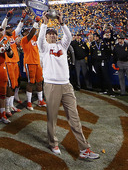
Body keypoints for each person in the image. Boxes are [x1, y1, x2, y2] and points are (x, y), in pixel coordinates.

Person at [37, 11, 100, 160]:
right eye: (49, 33)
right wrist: (44, 24)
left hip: (66, 85)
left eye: (54, 33)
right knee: (52, 117)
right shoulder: (44, 48)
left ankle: (84, 149)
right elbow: (40, 39)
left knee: (74, 117)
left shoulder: (62, 46)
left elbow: (69, 37)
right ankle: (53, 143)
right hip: (51, 85)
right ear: (46, 36)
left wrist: (62, 23)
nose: (52, 35)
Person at [1, 9, 27, 116]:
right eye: (9, 28)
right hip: (8, 63)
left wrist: (22, 18)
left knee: (15, 84)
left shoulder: (13, 36)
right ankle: (7, 108)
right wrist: (7, 17)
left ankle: (11, 105)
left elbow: (19, 27)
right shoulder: (3, 36)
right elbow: (2, 27)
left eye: (11, 28)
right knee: (10, 85)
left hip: (15, 63)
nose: (11, 30)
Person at [20, 16, 46, 111]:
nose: (28, 32)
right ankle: (29, 102)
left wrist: (44, 23)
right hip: (29, 62)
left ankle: (40, 100)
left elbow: (39, 34)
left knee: (39, 82)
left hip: (37, 62)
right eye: (26, 31)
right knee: (31, 82)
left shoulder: (34, 38)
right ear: (23, 33)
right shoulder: (24, 40)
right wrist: (36, 22)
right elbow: (32, 34)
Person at [112, 33, 128, 97]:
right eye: (118, 39)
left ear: (122, 39)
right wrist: (114, 62)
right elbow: (114, 55)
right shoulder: (116, 46)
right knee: (121, 78)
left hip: (126, 62)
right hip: (119, 62)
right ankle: (122, 92)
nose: (118, 40)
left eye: (119, 39)